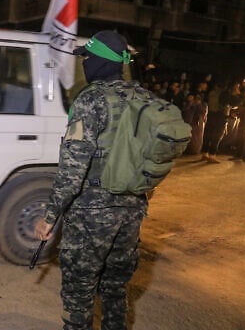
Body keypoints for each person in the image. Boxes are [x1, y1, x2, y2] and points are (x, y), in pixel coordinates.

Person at [34, 30, 148, 330]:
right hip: (131, 213)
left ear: (99, 61)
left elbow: (72, 170)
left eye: (87, 58)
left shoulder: (90, 101)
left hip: (91, 216)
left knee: (78, 293)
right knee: (114, 289)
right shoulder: (144, 99)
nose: (84, 63)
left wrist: (49, 217)